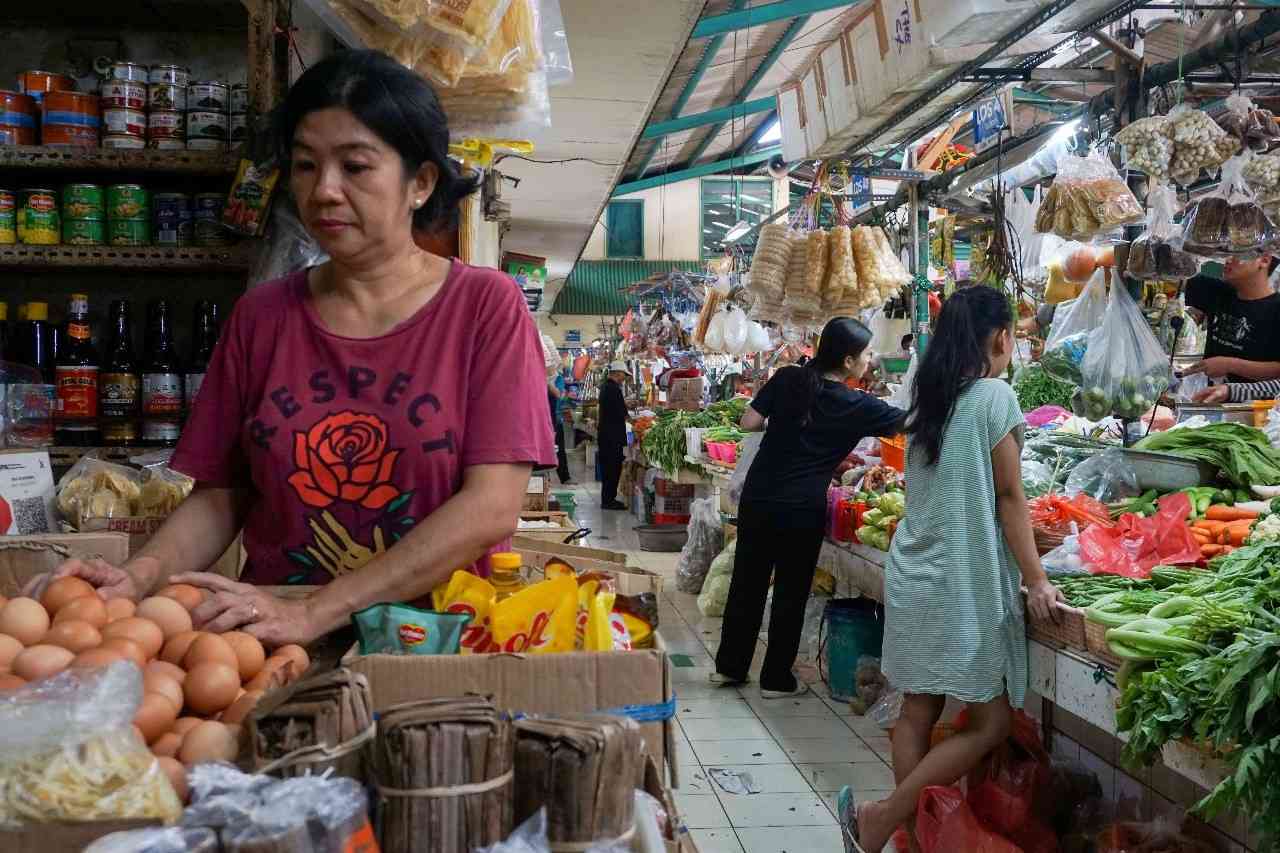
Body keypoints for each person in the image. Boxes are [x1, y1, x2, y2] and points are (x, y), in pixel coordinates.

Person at [24, 50, 555, 647]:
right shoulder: (264, 315)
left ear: (421, 182)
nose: (324, 191)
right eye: (305, 166)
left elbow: (490, 508)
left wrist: (316, 612)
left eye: (355, 166)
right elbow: (223, 495)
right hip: (271, 641)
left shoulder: (484, 306)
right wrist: (138, 574)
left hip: (432, 644)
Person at [839, 288, 1062, 853]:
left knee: (918, 709)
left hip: (917, 570)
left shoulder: (931, 397)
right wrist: (1037, 579)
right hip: (963, 581)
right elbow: (1011, 498)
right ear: (1001, 338)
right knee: (990, 724)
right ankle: (884, 817)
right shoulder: (993, 396)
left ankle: (911, 837)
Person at [712, 318, 904, 699]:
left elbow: (748, 421)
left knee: (746, 583)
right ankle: (775, 680)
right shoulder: (858, 404)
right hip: (801, 507)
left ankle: (729, 668)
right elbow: (911, 424)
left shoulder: (786, 378)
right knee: (790, 590)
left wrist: (789, 434)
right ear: (849, 361)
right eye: (866, 355)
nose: (869, 361)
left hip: (760, 496)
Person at [1182, 257, 1280, 386]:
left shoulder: (1276, 309)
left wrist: (1229, 365)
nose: (1228, 260)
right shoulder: (1216, 291)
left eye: (1238, 255)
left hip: (1254, 404)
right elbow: (1171, 272)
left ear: (1264, 261)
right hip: (1208, 398)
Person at [598, 362, 629, 510]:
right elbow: (621, 412)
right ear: (617, 373)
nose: (624, 378)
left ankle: (608, 498)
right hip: (612, 437)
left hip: (606, 436)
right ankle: (609, 501)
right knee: (612, 469)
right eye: (624, 374)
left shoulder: (606, 387)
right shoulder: (613, 389)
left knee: (608, 469)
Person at [548, 374, 573, 484]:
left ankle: (565, 477)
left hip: (555, 419)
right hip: (541, 418)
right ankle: (543, 479)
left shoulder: (558, 378)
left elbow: (558, 394)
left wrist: (547, 382)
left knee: (559, 449)